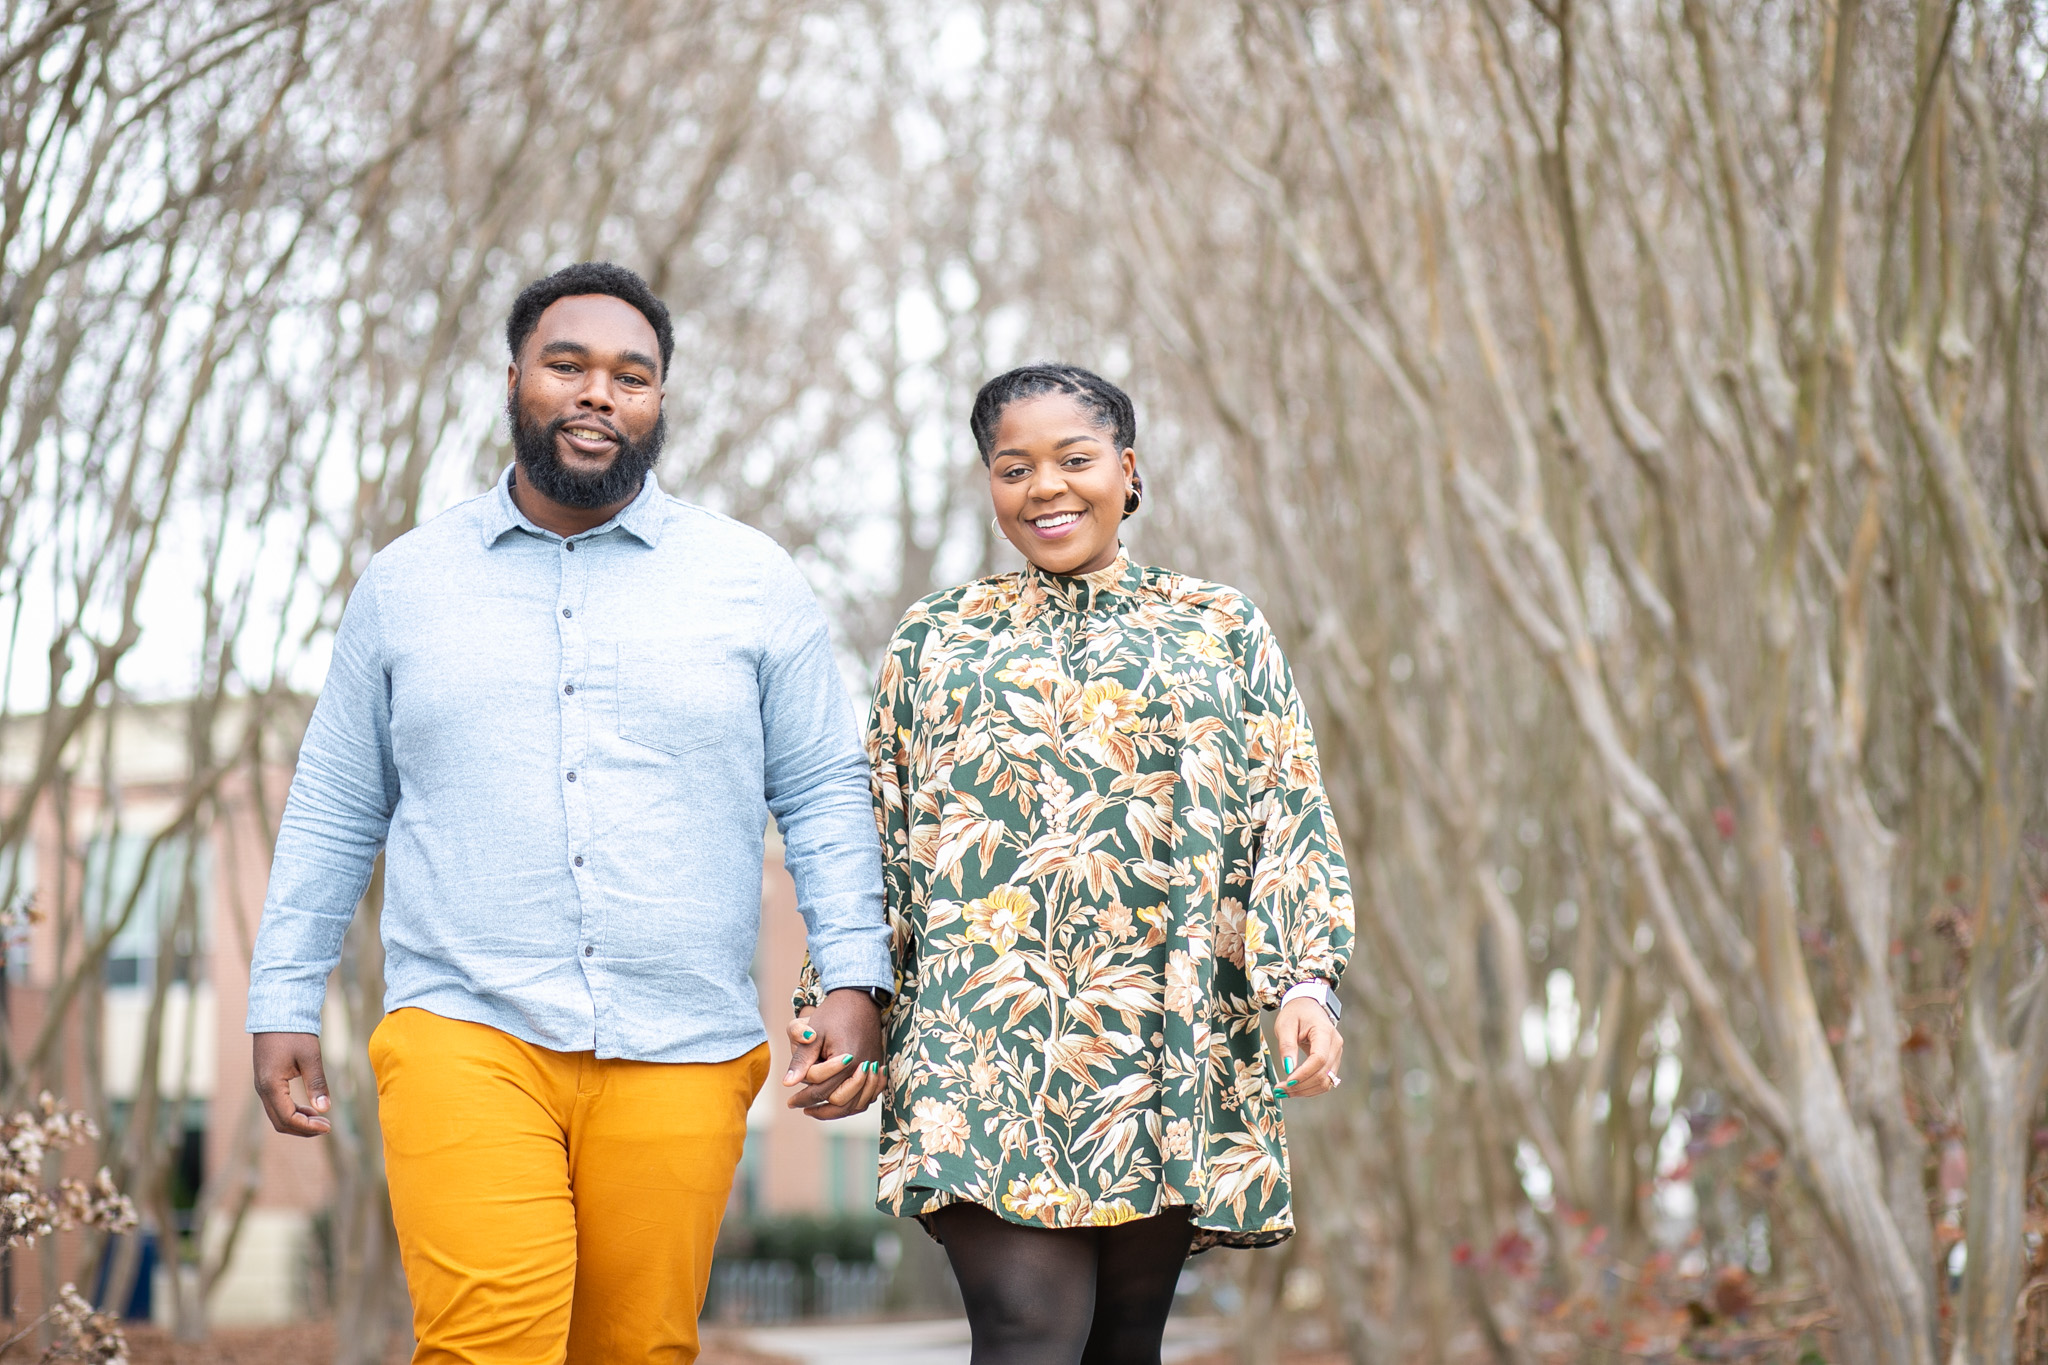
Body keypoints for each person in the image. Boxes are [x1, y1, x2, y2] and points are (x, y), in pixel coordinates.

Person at [246, 261, 893, 1364]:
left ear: (658, 403)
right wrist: (282, 996)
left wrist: (855, 975)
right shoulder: (405, 586)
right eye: (569, 364)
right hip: (466, 1026)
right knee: (486, 1342)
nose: (600, 392)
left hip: (682, 1040)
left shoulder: (751, 580)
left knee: (636, 1351)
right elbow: (334, 805)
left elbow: (825, 792)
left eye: (631, 376)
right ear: (513, 380)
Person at [784, 364, 1354, 1364]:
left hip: (1164, 1041)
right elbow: (873, 830)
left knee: (1121, 1345)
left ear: (1125, 472)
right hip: (978, 1040)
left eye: (1072, 459)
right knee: (1026, 1331)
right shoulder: (934, 638)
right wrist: (843, 994)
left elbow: (1286, 807)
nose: (1043, 485)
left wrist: (1305, 981)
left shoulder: (1218, 627)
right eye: (1013, 467)